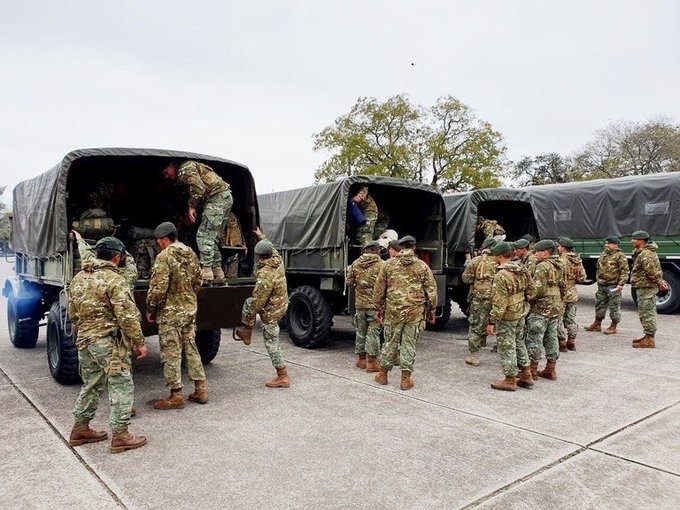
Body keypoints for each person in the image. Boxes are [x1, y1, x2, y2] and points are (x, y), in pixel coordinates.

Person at [67, 236, 148, 454]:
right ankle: (121, 435)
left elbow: (72, 313)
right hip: (107, 342)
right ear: (117, 257)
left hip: (85, 340)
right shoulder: (115, 280)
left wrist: (82, 333)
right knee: (121, 382)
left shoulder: (79, 277)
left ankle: (80, 428)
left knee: (91, 383)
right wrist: (139, 342)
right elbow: (127, 316)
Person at [146, 222, 207, 409]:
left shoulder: (164, 257)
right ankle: (200, 389)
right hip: (189, 310)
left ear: (165, 239)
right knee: (191, 348)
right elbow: (199, 281)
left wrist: (150, 308)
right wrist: (188, 297)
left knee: (171, 352)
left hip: (170, 313)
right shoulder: (191, 253)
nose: (158, 244)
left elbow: (159, 287)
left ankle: (176, 395)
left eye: (159, 241)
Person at [374, 235, 437, 390]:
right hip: (415, 312)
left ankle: (383, 374)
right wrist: (432, 310)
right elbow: (432, 291)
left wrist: (378, 307)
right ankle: (405, 379)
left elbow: (379, 290)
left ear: (400, 248)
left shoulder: (388, 265)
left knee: (390, 342)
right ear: (414, 247)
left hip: (393, 311)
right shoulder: (422, 266)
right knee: (409, 344)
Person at [234, 228, 290, 387]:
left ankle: (283, 376)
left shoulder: (266, 273)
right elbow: (271, 246)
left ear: (259, 256)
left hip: (272, 310)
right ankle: (248, 332)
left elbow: (258, 302)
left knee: (271, 340)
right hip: (281, 304)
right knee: (250, 304)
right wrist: (261, 235)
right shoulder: (277, 259)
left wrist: (249, 318)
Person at [162, 160, 233, 283]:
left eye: (166, 172)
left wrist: (192, 206)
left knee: (203, 236)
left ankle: (206, 271)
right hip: (224, 198)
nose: (166, 176)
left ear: (171, 165)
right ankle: (217, 270)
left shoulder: (185, 169)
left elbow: (198, 188)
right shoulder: (189, 168)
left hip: (217, 198)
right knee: (213, 238)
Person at [486, 242, 532, 391]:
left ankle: (510, 379)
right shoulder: (521, 269)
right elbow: (532, 290)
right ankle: (526, 374)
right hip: (520, 311)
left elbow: (499, 302)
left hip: (508, 315)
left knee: (507, 346)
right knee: (519, 342)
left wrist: (492, 321)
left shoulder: (501, 275)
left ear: (499, 256)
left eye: (494, 255)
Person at [525, 240, 565, 381]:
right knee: (551, 336)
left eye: (538, 251)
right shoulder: (560, 264)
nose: (535, 254)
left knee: (535, 336)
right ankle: (551, 368)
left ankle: (532, 370)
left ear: (546, 252)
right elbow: (563, 286)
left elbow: (538, 289)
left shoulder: (542, 266)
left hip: (541, 307)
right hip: (555, 306)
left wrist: (527, 298)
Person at [346, 241, 384, 372]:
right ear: (376, 250)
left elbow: (349, 282)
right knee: (373, 333)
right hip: (375, 306)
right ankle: (372, 362)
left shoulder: (356, 264)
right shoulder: (382, 265)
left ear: (365, 250)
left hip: (360, 304)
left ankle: (361, 360)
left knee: (360, 331)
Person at [462, 237, 497, 366]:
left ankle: (474, 355)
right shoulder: (501, 260)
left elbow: (466, 279)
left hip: (480, 298)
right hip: (498, 298)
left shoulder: (476, 261)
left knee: (476, 324)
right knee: (500, 323)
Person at [630, 231, 668, 348]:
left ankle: (650, 339)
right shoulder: (642, 252)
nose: (632, 241)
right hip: (643, 286)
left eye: (634, 239)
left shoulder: (646, 253)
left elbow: (651, 271)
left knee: (647, 312)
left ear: (641, 240)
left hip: (647, 287)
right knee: (644, 312)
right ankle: (647, 336)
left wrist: (660, 282)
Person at [584, 236, 629, 335]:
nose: (606, 245)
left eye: (609, 243)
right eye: (606, 243)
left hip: (613, 286)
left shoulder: (620, 256)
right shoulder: (604, 254)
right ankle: (597, 323)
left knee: (614, 306)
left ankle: (613, 326)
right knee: (599, 304)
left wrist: (621, 284)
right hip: (602, 285)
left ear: (615, 244)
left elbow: (625, 271)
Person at [557, 237, 587, 351]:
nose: (558, 248)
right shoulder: (577, 260)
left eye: (559, 246)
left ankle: (562, 343)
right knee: (571, 318)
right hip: (572, 292)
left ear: (563, 248)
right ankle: (572, 341)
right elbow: (583, 277)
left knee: (558, 319)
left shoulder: (561, 261)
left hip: (562, 293)